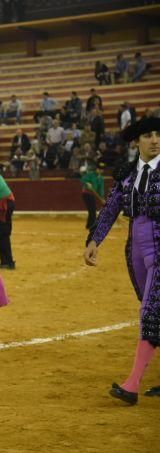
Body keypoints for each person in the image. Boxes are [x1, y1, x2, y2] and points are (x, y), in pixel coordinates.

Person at [85, 117, 160, 405]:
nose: (154, 140)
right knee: (152, 308)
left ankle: (132, 384)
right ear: (136, 142)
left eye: (158, 135)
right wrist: (94, 241)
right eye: (148, 135)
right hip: (137, 251)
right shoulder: (128, 175)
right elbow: (111, 208)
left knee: (150, 312)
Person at [81, 162, 105, 230]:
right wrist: (87, 183)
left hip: (92, 195)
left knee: (92, 210)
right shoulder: (90, 174)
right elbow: (82, 179)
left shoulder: (101, 178)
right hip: (86, 194)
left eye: (102, 169)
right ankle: (92, 226)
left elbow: (101, 190)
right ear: (96, 169)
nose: (100, 170)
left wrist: (102, 198)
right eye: (99, 169)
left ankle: (89, 225)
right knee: (92, 210)